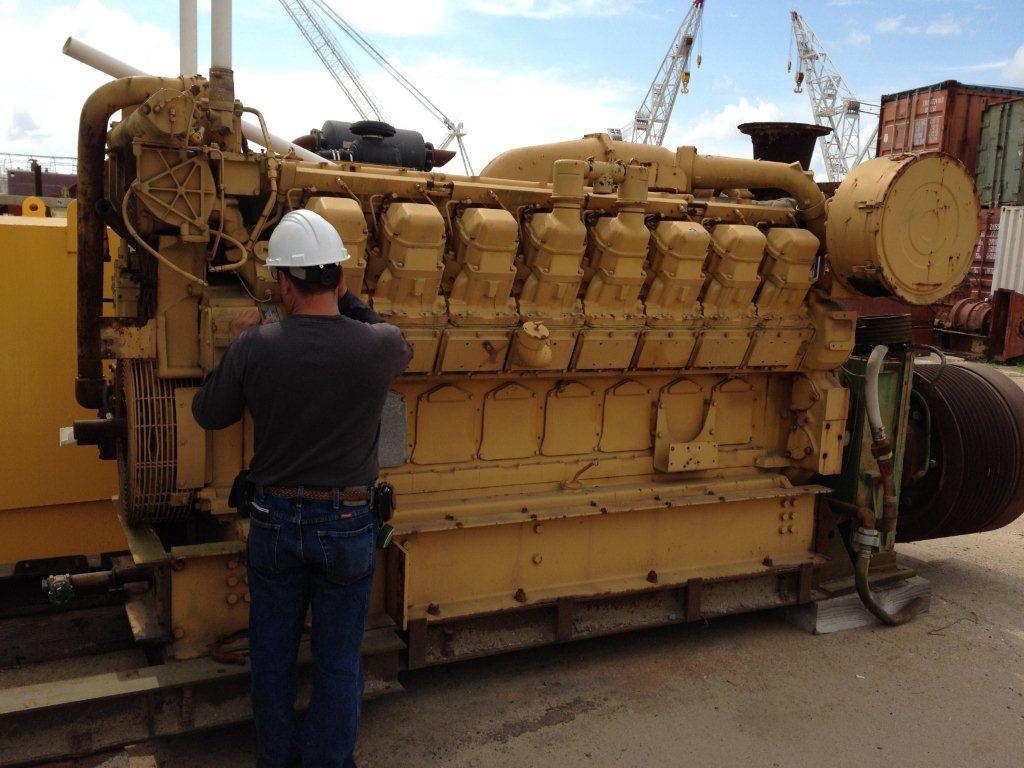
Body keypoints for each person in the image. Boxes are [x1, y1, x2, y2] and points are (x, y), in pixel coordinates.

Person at [192, 208, 412, 768]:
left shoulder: (256, 347)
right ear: (340, 277)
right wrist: (348, 299)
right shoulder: (381, 346)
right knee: (338, 661)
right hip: (348, 524)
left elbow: (208, 413)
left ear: (283, 284)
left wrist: (235, 346)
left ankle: (277, 759)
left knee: (272, 658)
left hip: (274, 522)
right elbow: (382, 331)